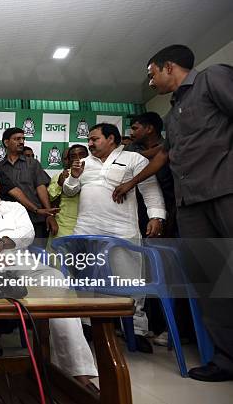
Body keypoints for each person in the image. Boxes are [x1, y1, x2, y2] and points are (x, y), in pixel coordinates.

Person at [112, 44, 233, 381]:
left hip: (225, 191)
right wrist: (130, 182)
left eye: (152, 74)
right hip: (190, 205)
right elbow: (164, 156)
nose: (150, 83)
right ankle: (226, 359)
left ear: (168, 67)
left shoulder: (213, 78)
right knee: (210, 283)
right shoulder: (173, 111)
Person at [0, 170, 99, 392]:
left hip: (20, 260)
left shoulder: (15, 207)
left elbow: (27, 234)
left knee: (56, 281)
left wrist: (3, 242)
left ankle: (77, 369)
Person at [63, 123, 165, 353]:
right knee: (86, 279)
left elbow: (149, 189)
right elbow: (69, 192)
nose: (89, 143)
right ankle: (88, 325)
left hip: (122, 230)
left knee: (130, 281)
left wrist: (157, 216)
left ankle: (136, 330)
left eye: (94, 139)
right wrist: (74, 177)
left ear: (111, 139)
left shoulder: (133, 159)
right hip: (86, 230)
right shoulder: (83, 164)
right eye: (89, 139)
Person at [0, 127, 58, 239]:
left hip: (36, 219)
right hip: (10, 221)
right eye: (17, 139)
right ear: (6, 142)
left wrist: (49, 214)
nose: (21, 142)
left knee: (37, 255)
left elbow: (41, 187)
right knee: (12, 255)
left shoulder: (33, 163)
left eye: (23, 139)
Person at [47, 145, 89, 239]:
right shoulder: (60, 176)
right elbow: (51, 197)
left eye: (82, 155)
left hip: (89, 227)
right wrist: (59, 184)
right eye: (73, 156)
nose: (78, 159)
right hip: (64, 227)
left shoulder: (95, 175)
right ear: (69, 160)